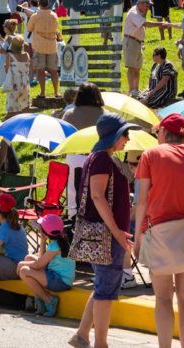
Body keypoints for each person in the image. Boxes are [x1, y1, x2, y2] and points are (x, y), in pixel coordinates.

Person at [135, 113, 184, 348]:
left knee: (163, 297)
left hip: (160, 230)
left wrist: (137, 238)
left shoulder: (150, 155)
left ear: (164, 133)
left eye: (158, 132)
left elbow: (142, 200)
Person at [71, 114, 133, 348]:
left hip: (105, 235)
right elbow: (97, 195)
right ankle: (101, 344)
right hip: (107, 236)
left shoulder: (100, 158)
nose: (127, 139)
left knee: (102, 286)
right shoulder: (102, 160)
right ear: (115, 136)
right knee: (106, 292)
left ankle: (82, 335)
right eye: (125, 134)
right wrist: (117, 232)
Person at [17, 213, 74, 317]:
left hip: (60, 281)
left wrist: (21, 264)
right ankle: (40, 299)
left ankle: (49, 300)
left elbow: (39, 265)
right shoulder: (59, 241)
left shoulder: (54, 246)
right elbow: (41, 262)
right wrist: (43, 241)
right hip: (57, 276)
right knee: (28, 258)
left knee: (24, 271)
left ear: (44, 231)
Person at [123, 0, 173, 92]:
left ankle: (136, 90)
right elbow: (145, 24)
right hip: (131, 41)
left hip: (137, 42)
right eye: (146, 6)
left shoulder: (139, 12)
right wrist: (160, 24)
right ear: (139, 4)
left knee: (137, 68)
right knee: (131, 67)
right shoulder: (134, 12)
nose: (148, 8)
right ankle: (131, 90)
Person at [26, 0, 62, 97]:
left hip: (39, 46)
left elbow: (29, 28)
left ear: (39, 4)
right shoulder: (54, 15)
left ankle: (42, 92)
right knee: (54, 71)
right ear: (48, 4)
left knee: (40, 70)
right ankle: (56, 92)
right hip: (52, 46)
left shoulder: (35, 16)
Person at [3, 35, 31, 114]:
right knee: (25, 103)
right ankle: (24, 119)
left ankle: (12, 117)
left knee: (13, 104)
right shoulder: (27, 55)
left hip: (14, 82)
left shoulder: (10, 56)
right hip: (25, 82)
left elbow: (7, 70)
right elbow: (26, 67)